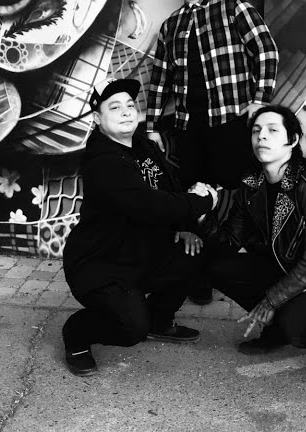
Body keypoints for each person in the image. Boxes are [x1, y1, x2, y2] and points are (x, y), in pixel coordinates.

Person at [144, 0, 280, 304]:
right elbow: (160, 78)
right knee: (197, 201)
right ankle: (199, 274)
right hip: (190, 129)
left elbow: (265, 50)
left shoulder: (233, 7)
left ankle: (256, 274)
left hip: (231, 123)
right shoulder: (171, 25)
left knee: (245, 195)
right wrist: (153, 125)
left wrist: (260, 99)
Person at [61, 77, 219, 377]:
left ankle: (160, 321)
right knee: (131, 329)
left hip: (141, 253)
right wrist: (202, 202)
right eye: (114, 107)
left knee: (195, 250)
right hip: (101, 265)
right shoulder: (102, 161)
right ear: (97, 118)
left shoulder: (143, 146)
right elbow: (148, 204)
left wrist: (184, 225)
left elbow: (169, 187)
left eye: (130, 105)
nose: (125, 112)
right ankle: (76, 333)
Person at [201, 104, 306, 387]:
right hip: (286, 268)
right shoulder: (252, 185)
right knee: (217, 267)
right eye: (256, 131)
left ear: (292, 140)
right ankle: (278, 328)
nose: (261, 136)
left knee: (296, 328)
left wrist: (271, 300)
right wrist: (203, 216)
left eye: (272, 130)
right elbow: (229, 243)